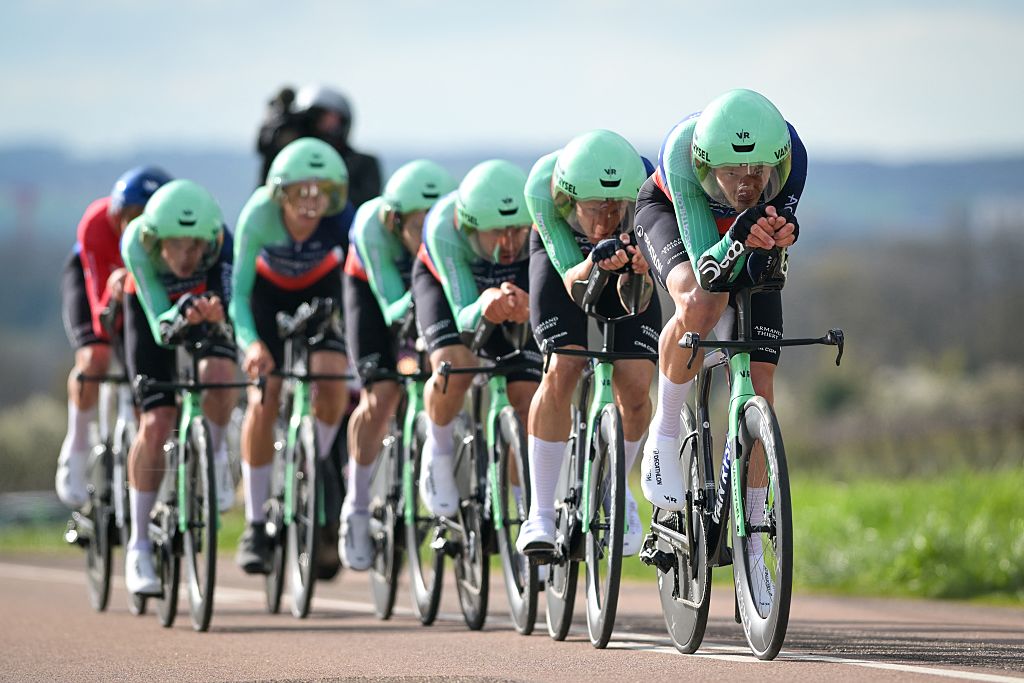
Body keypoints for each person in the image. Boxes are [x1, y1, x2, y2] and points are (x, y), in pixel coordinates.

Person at [633, 89, 806, 609]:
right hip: (675, 220)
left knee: (763, 383)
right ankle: (663, 436)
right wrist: (743, 240)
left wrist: (782, 234)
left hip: (744, 240)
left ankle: (752, 537)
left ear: (778, 159)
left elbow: (776, 243)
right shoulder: (681, 157)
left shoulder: (795, 155)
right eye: (732, 172)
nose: (747, 183)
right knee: (701, 306)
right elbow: (709, 270)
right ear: (709, 163)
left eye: (758, 171)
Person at [515, 130, 659, 557]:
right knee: (564, 365)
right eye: (595, 209)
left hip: (625, 265)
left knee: (635, 383)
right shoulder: (543, 186)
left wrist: (641, 269)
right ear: (569, 200)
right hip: (567, 265)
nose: (606, 221)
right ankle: (539, 513)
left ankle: (619, 487)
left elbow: (653, 284)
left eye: (617, 208)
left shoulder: (647, 183)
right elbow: (569, 279)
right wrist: (595, 258)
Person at [231, 137, 355, 576]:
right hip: (266, 298)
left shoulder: (342, 220)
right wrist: (252, 344)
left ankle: (313, 462)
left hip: (320, 293)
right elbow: (239, 295)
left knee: (332, 378)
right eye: (299, 192)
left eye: (319, 192)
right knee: (265, 395)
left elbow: (360, 278)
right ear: (279, 194)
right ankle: (255, 523)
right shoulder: (258, 216)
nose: (310, 203)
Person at [120, 179, 237, 594]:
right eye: (176, 246)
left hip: (201, 314)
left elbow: (233, 309)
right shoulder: (136, 243)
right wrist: (182, 313)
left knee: (222, 375)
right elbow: (158, 322)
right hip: (152, 314)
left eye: (194, 247)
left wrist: (218, 315)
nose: (186, 258)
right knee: (156, 420)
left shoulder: (223, 243)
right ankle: (138, 547)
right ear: (156, 241)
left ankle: (215, 456)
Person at [340, 159, 456, 570]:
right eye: (415, 224)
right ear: (394, 221)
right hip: (372, 292)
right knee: (382, 394)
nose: (426, 232)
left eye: (432, 220)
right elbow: (392, 304)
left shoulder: (448, 232)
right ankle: (354, 505)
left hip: (422, 288)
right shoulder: (371, 226)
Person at [411, 160, 541, 517]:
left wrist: (529, 307)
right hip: (446, 288)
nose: (509, 243)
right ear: (469, 227)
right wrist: (485, 302)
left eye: (517, 230)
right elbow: (462, 313)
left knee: (528, 396)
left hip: (509, 292)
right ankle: (437, 452)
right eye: (496, 233)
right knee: (456, 365)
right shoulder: (443, 227)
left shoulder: (534, 230)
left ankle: (524, 504)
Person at [56, 166, 172, 508]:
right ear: (116, 214)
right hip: (93, 282)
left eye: (144, 217)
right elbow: (98, 314)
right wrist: (112, 295)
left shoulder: (167, 241)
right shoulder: (95, 224)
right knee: (95, 357)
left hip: (134, 288)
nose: (134, 226)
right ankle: (76, 446)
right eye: (129, 216)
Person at [256, 83, 382, 207]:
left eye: (328, 119)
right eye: (315, 121)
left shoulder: (362, 164)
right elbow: (267, 196)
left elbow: (363, 206)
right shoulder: (289, 163)